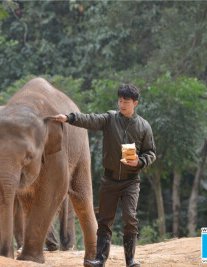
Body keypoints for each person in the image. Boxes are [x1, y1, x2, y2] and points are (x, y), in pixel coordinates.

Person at [51, 84, 156, 267]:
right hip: (110, 179)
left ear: (135, 103)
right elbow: (90, 119)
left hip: (131, 181)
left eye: (126, 101)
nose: (122, 104)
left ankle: (130, 260)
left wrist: (139, 162)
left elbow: (151, 153)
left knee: (130, 218)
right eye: (120, 100)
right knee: (105, 220)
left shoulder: (143, 126)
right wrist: (69, 118)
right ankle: (100, 259)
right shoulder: (110, 119)